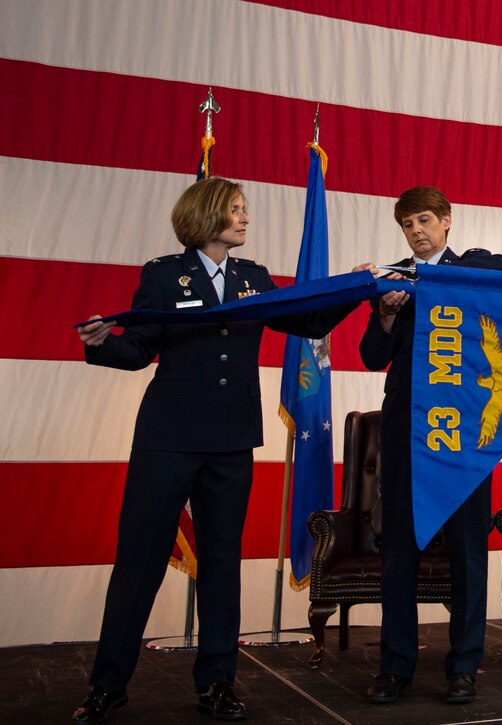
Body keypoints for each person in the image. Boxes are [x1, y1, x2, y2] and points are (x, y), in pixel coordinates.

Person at [72, 177, 355, 722]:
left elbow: (307, 319)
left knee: (222, 564)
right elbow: (138, 350)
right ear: (206, 216)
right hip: (168, 440)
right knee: (139, 561)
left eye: (245, 210)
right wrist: (102, 343)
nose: (246, 218)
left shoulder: (254, 279)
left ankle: (217, 682)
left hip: (230, 443)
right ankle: (108, 684)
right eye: (236, 209)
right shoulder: (162, 276)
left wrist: (357, 287)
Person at [357, 186, 502, 705]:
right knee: (398, 552)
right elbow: (369, 356)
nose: (416, 231)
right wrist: (383, 313)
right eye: (407, 225)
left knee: (469, 552)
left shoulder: (475, 267)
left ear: (447, 221)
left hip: (465, 436)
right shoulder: (391, 282)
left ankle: (464, 665)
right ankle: (394, 666)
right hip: (407, 432)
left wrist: (427, 281)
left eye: (424, 220)